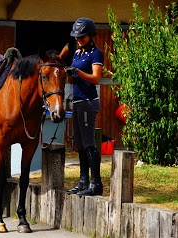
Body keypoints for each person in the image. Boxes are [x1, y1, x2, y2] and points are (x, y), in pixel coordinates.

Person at [65, 17, 104, 196]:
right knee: (79, 144)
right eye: (77, 36)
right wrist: (70, 75)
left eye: (82, 36)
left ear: (90, 35)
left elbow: (96, 78)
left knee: (89, 143)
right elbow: (74, 79)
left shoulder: (95, 53)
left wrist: (78, 72)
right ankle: (83, 181)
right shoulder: (77, 54)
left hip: (88, 101)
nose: (79, 39)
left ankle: (96, 184)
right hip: (78, 102)